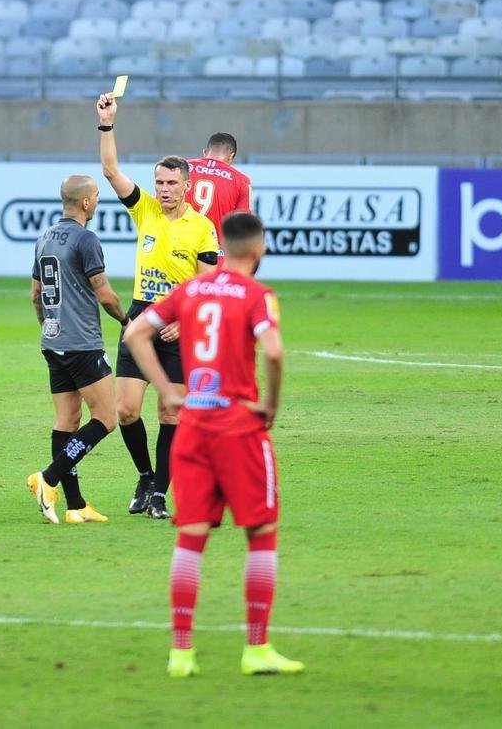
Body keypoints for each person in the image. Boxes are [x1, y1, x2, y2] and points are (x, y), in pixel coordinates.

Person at [124, 211, 303, 678]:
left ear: (223, 245)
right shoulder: (257, 295)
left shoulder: (191, 290)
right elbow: (274, 350)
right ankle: (256, 648)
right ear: (259, 249)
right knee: (261, 533)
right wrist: (270, 404)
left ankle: (181, 653)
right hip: (239, 427)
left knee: (191, 537)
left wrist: (167, 391)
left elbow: (135, 333)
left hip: (194, 427)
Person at [96, 91, 219, 520]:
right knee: (126, 410)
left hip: (179, 324)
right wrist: (107, 123)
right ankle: (146, 476)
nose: (164, 190)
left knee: (171, 412)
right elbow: (110, 171)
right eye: (160, 183)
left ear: (187, 185)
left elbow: (207, 286)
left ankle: (160, 495)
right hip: (141, 317)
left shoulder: (202, 228)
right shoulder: (144, 211)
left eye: (171, 183)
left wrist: (185, 321)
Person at [26, 175, 128, 524]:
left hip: (53, 341)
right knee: (106, 419)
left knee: (67, 420)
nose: (97, 201)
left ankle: (76, 505)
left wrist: (49, 327)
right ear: (85, 202)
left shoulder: (44, 238)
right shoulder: (86, 239)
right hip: (82, 343)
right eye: (96, 196)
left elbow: (36, 294)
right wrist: (126, 320)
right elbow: (105, 294)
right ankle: (48, 478)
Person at [187, 133, 252, 253]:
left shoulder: (183, 168)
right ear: (231, 156)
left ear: (205, 152)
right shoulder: (241, 180)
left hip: (181, 250)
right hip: (215, 254)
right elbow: (241, 224)